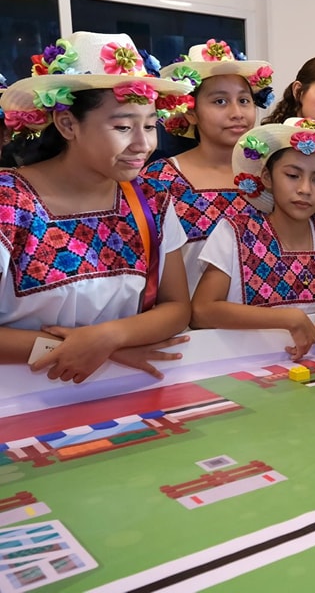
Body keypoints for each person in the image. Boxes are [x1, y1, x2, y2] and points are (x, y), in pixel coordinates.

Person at [0, 31, 193, 383]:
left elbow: (177, 308)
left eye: (150, 126)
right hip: (18, 398)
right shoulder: (9, 202)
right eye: (122, 126)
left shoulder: (151, 200)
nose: (143, 144)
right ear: (68, 124)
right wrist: (83, 349)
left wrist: (108, 339)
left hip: (123, 389)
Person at [191, 118, 315, 356]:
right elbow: (201, 312)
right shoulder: (236, 232)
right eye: (293, 175)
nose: (305, 189)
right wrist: (287, 318)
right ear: (267, 177)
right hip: (249, 368)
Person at [141, 40, 273, 294]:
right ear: (191, 112)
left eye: (244, 100)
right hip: (188, 328)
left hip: (265, 323)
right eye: (220, 102)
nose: (237, 113)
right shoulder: (160, 180)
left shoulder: (270, 176)